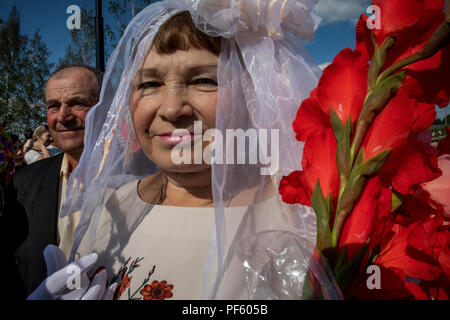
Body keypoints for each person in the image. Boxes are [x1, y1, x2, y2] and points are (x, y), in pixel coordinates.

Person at [33, 0, 340, 300]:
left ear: (255, 93)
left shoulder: (304, 220)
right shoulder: (109, 210)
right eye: (150, 84)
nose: (171, 109)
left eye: (204, 80)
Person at [0, 64, 103, 299]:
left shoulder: (142, 181)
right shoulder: (23, 183)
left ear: (105, 107)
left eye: (78, 103)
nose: (63, 117)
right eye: (54, 106)